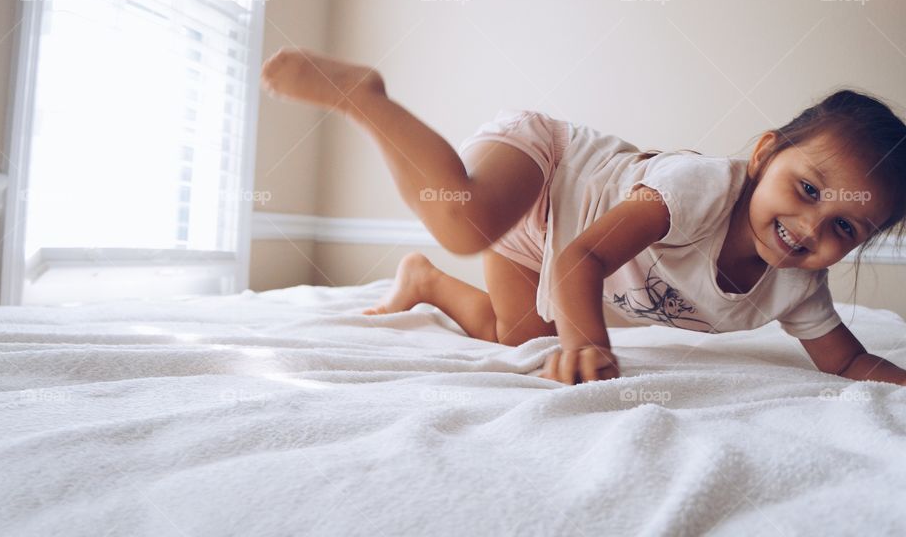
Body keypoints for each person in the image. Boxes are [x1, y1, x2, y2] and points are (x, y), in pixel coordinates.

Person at [260, 47, 906, 387]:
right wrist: (589, 344)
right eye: (808, 189)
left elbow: (847, 363)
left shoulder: (798, 285)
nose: (811, 228)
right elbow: (583, 259)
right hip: (549, 170)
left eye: (846, 228)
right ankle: (363, 97)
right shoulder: (701, 188)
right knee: (466, 222)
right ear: (763, 155)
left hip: (539, 246)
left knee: (520, 341)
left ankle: (425, 281)